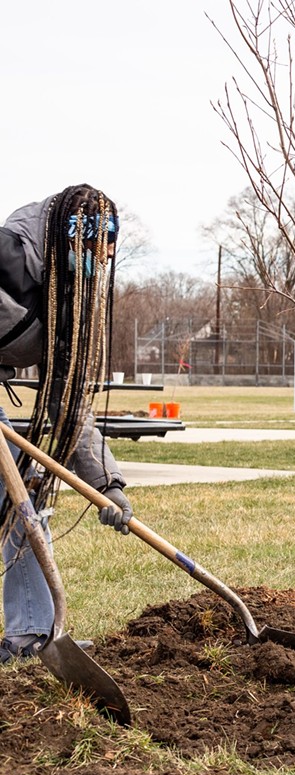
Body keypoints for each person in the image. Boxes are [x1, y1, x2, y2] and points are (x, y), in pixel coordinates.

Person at [0, 185, 134, 664]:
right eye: (93, 251)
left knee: (21, 495)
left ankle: (32, 634)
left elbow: (68, 401)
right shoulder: (8, 259)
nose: (101, 264)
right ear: (66, 241)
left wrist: (107, 482)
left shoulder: (68, 301)